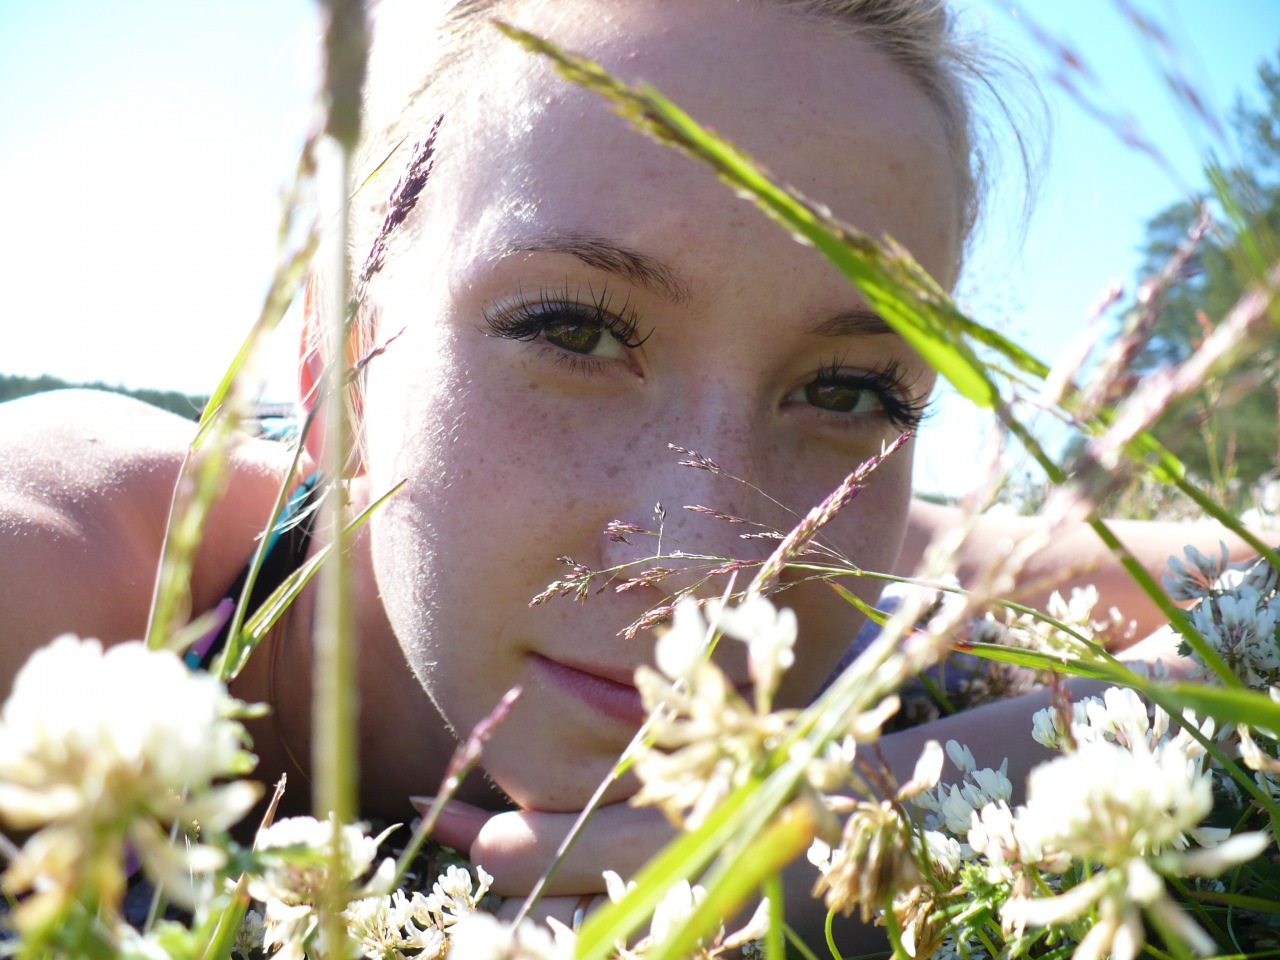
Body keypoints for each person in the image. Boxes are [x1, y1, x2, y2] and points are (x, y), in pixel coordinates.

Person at [0, 0, 1265, 949]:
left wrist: (869, 821)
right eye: (571, 329)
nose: (706, 560)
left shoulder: (889, 570)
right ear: (341, 365)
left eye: (845, 392)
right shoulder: (71, 572)